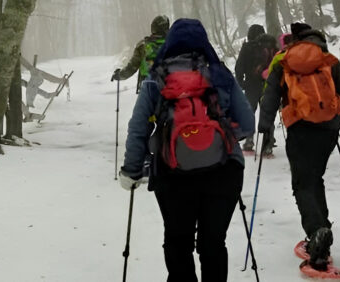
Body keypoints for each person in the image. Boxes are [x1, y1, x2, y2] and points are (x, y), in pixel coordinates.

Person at [117, 18, 255, 282]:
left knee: (178, 243)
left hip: (173, 174)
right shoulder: (221, 75)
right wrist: (218, 138)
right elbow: (248, 124)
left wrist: (132, 170)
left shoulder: (155, 80)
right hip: (223, 173)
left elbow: (138, 131)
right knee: (213, 243)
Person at [257, 22, 340, 271]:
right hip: (327, 132)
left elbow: (269, 96)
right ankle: (323, 230)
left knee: (302, 183)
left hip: (299, 130)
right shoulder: (329, 59)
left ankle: (317, 235)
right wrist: (336, 122)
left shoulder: (283, 60)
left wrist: (264, 126)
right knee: (315, 178)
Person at [235, 24, 280, 153]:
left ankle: (249, 139)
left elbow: (239, 66)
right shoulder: (272, 46)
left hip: (251, 84)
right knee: (268, 112)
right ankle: (268, 142)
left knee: (250, 112)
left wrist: (240, 82)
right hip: (269, 84)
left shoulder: (247, 47)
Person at [112, 15, 170, 83]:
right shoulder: (172, 43)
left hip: (147, 87)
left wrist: (119, 75)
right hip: (169, 87)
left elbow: (132, 67)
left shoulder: (142, 45)